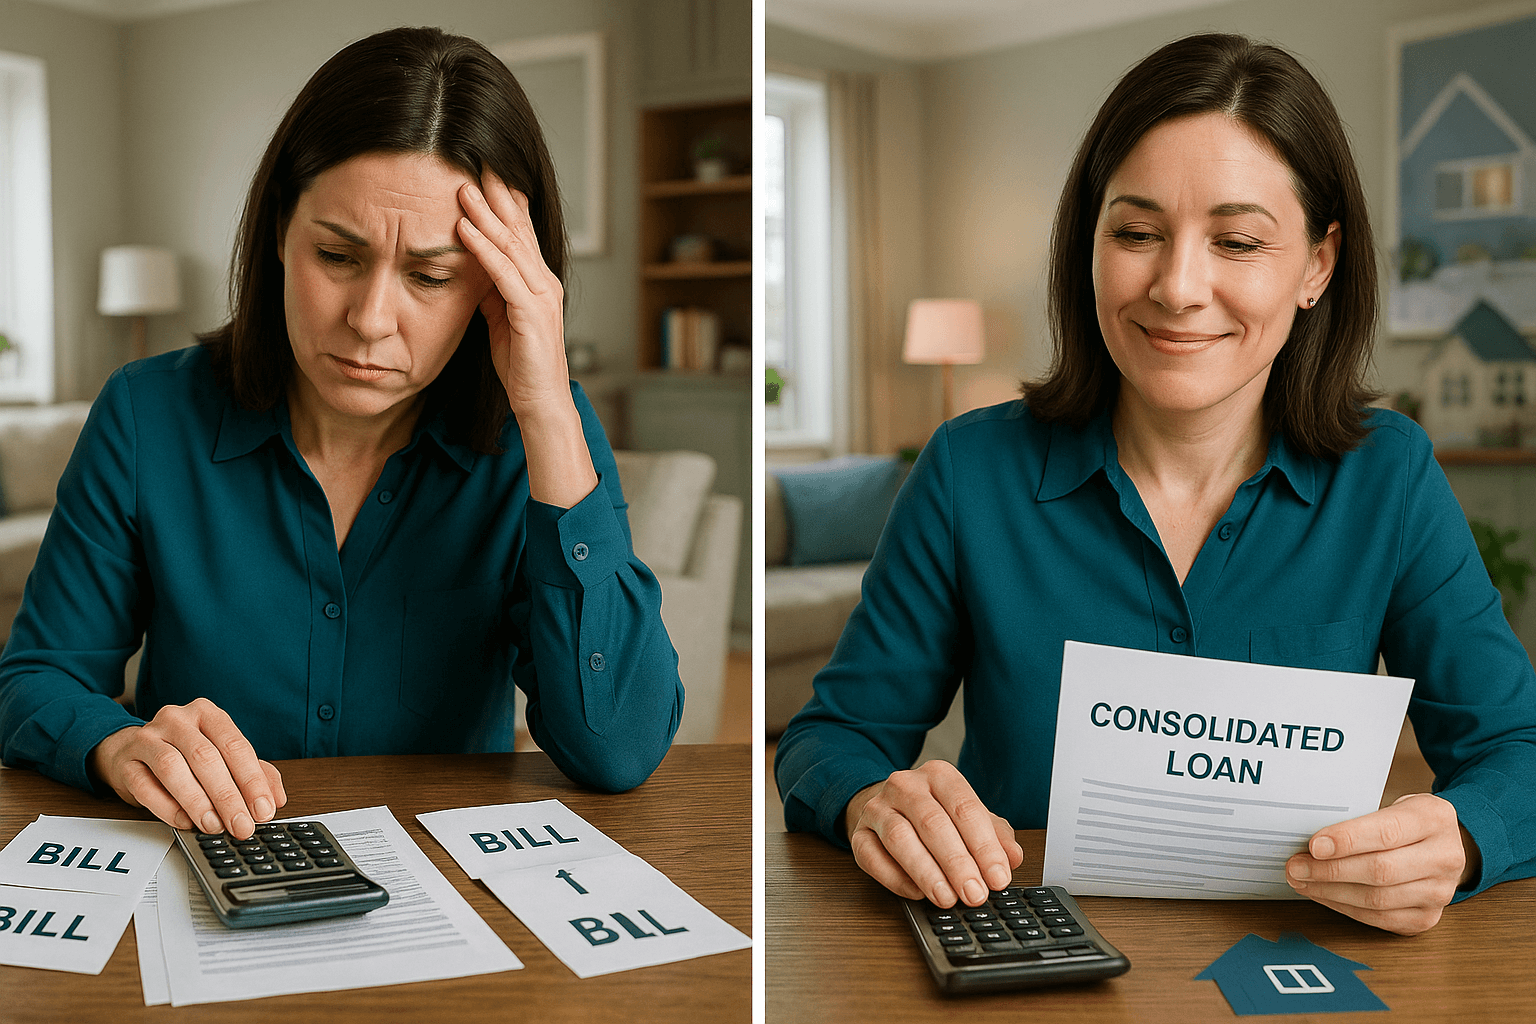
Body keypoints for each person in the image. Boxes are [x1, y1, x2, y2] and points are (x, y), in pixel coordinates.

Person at [774, 32, 1536, 936]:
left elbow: (1514, 750)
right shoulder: (967, 470)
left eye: (1238, 241)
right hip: (1027, 955)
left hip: (1300, 958)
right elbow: (832, 738)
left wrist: (1462, 838)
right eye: (1136, 233)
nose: (1177, 287)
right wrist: (870, 802)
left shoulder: (1390, 476)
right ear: (1088, 244)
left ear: (1318, 266)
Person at [0, 26, 683, 842]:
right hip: (204, 874)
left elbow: (620, 749)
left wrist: (544, 410)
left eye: (431, 277)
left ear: (495, 289)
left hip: (449, 897)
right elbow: (37, 679)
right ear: (280, 233)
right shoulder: (147, 414)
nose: (368, 322)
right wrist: (116, 745)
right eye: (337, 255)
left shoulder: (538, 443)